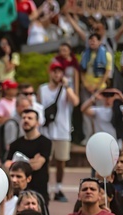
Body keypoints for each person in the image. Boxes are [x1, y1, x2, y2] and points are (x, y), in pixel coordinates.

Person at [40, 61, 79, 203]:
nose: (57, 75)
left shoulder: (66, 89)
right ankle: (44, 187)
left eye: (59, 72)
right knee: (45, 161)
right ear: (50, 73)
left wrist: (67, 86)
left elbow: (75, 102)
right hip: (46, 130)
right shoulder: (42, 89)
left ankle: (58, 187)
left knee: (61, 161)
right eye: (54, 71)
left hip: (63, 130)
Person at [6, 109, 53, 202]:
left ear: (37, 122)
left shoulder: (45, 142)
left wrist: (17, 163)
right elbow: (7, 165)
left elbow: (37, 165)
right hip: (17, 191)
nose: (26, 120)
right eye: (23, 118)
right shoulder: (15, 144)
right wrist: (30, 161)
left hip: (38, 190)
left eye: (30, 118)